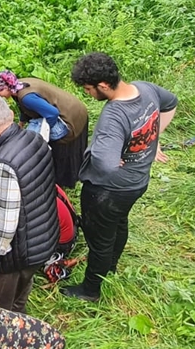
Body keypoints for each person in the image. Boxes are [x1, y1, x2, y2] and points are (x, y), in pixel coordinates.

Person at [65, 52, 177, 303]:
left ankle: (90, 290)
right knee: (118, 224)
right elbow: (171, 103)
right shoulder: (145, 89)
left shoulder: (114, 116)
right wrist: (152, 138)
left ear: (103, 85)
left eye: (88, 89)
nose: (88, 94)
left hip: (108, 191)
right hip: (137, 182)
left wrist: (110, 156)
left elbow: (105, 164)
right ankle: (110, 267)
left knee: (100, 240)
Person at [0, 95, 60, 313]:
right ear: (11, 115)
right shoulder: (35, 139)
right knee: (19, 295)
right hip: (41, 240)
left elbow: (5, 223)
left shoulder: (4, 164)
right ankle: (19, 326)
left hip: (14, 254)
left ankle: (0, 334)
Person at [0, 70, 90, 188]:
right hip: (73, 109)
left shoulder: (26, 97)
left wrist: (45, 132)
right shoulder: (18, 86)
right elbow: (24, 109)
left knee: (33, 142)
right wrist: (21, 123)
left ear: (6, 87)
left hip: (69, 119)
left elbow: (52, 114)